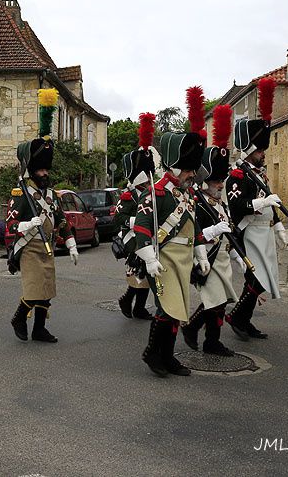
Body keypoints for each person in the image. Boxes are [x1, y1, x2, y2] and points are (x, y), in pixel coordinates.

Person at [134, 86, 207, 377]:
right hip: (162, 258)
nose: (192, 174)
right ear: (175, 167)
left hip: (183, 259)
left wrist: (200, 252)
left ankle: (168, 356)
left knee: (178, 309)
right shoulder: (157, 193)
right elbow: (141, 227)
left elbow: (194, 225)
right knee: (167, 308)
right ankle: (154, 353)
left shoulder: (185, 195)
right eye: (188, 169)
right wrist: (149, 259)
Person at [7, 88, 78, 343]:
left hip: (48, 247)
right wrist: (27, 223)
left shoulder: (52, 194)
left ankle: (39, 329)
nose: (46, 173)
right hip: (29, 247)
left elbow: (60, 219)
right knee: (35, 289)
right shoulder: (21, 193)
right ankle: (18, 318)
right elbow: (11, 224)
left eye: (47, 168)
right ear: (33, 170)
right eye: (41, 169)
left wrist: (70, 243)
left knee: (46, 291)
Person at [224, 78, 287, 339]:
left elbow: (270, 198)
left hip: (263, 232)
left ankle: (243, 319)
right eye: (259, 149)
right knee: (256, 279)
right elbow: (238, 205)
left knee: (260, 279)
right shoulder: (238, 174)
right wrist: (262, 203)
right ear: (250, 150)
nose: (263, 154)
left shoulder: (257, 173)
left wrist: (279, 223)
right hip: (248, 232)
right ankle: (237, 317)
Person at [182, 104, 243, 356]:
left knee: (220, 302)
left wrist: (238, 255)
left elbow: (229, 231)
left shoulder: (220, 202)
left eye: (221, 180)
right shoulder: (196, 202)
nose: (220, 184)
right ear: (205, 181)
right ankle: (207, 338)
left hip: (222, 258)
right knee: (215, 302)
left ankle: (202, 335)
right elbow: (193, 233)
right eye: (216, 181)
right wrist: (214, 231)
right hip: (205, 257)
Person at [113, 112, 156, 320]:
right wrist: (137, 221)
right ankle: (130, 302)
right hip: (132, 238)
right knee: (141, 273)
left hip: (147, 236)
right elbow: (118, 219)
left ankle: (136, 306)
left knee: (146, 274)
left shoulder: (151, 193)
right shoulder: (129, 196)